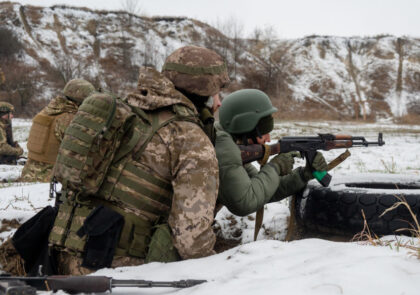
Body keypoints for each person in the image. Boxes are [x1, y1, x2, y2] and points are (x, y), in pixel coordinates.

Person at [45, 45, 230, 275]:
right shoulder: (190, 138)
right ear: (205, 91)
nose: (219, 101)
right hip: (117, 273)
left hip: (59, 255)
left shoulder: (124, 111)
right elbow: (191, 241)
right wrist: (221, 274)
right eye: (217, 93)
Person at [215, 89, 327, 216]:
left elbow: (263, 191)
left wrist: (303, 175)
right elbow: (245, 202)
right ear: (245, 126)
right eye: (264, 130)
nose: (268, 139)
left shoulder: (231, 144)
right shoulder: (223, 147)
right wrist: (276, 166)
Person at [20, 79, 96, 182]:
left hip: (28, 174)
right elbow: (82, 151)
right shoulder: (69, 118)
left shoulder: (48, 111)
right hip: (48, 177)